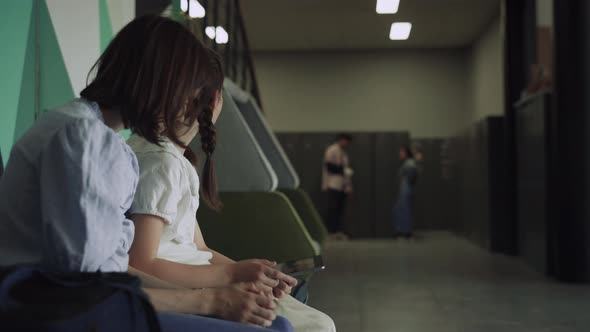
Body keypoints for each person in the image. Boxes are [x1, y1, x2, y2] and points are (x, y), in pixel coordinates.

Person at [0, 15, 293, 331]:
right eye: (189, 92)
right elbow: (92, 287)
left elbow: (111, 272)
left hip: (72, 303)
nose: (187, 106)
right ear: (163, 81)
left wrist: (221, 294)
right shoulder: (84, 137)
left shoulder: (92, 133)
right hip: (53, 313)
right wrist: (212, 301)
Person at [125, 63, 336, 331]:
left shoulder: (170, 158)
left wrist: (256, 274)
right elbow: (141, 263)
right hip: (185, 290)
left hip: (202, 281)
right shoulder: (160, 161)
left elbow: (199, 249)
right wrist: (232, 275)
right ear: (215, 100)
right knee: (318, 325)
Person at [322, 134, 353, 238]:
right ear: (341, 140)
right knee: (332, 209)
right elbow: (329, 167)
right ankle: (330, 231)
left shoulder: (343, 153)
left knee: (339, 209)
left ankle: (336, 231)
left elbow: (346, 171)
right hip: (333, 184)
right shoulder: (332, 150)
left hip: (342, 186)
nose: (347, 144)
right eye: (346, 141)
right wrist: (342, 171)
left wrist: (348, 186)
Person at [392, 146, 418, 238]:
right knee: (400, 209)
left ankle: (406, 232)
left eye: (402, 152)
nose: (400, 154)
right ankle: (402, 230)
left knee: (405, 210)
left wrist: (407, 186)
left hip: (406, 189)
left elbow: (412, 177)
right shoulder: (408, 163)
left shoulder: (410, 163)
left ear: (406, 153)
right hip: (404, 188)